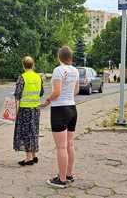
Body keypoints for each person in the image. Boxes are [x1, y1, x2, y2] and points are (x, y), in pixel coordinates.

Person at [41, 46, 79, 189]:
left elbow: (56, 92)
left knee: (61, 147)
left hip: (59, 110)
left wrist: (46, 101)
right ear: (70, 57)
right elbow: (76, 90)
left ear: (59, 57)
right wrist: (67, 95)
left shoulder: (58, 70)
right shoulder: (75, 71)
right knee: (69, 144)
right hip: (72, 109)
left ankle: (61, 179)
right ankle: (69, 174)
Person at [13, 56, 44, 166]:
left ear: (23, 65)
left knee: (26, 133)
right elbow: (41, 93)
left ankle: (28, 158)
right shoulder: (38, 77)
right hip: (35, 109)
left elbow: (17, 95)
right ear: (33, 65)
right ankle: (34, 155)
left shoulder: (22, 77)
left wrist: (14, 113)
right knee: (34, 131)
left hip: (25, 110)